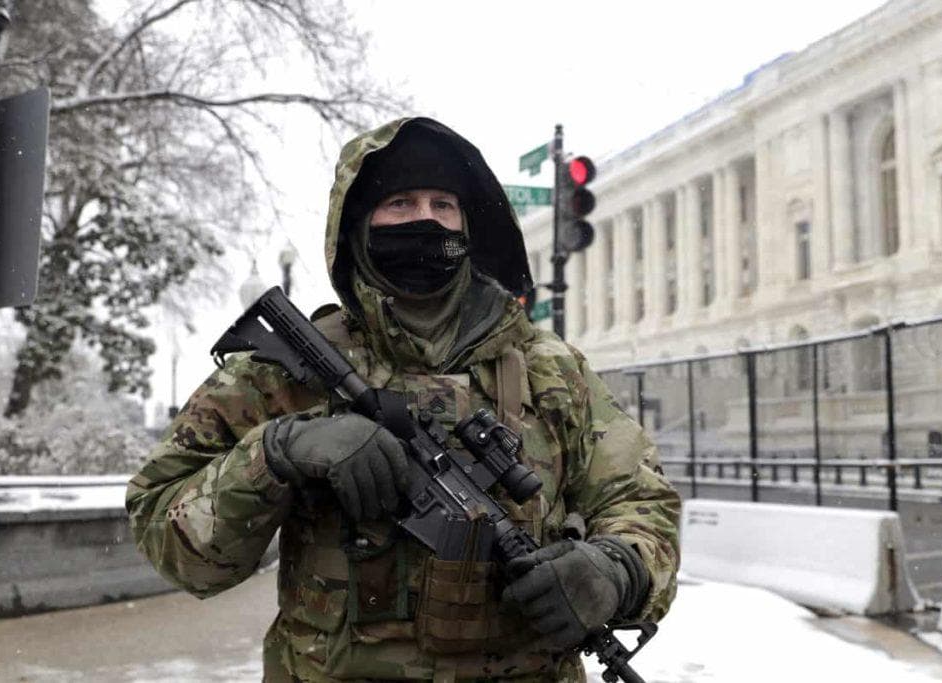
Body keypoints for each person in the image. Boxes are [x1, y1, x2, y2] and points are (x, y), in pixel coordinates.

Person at [126, 117, 681, 682]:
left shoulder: (551, 369)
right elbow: (171, 543)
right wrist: (275, 453)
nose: (426, 219)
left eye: (444, 203)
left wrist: (617, 571)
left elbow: (641, 499)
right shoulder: (281, 374)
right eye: (401, 203)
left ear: (469, 222)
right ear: (359, 225)